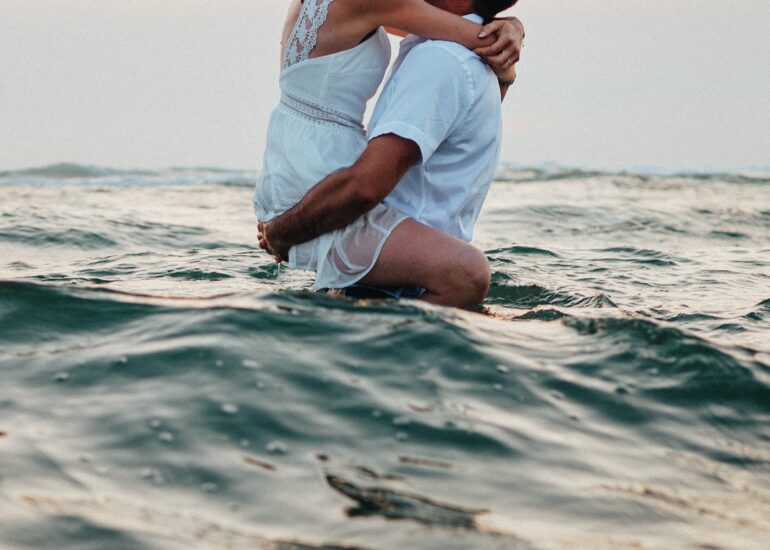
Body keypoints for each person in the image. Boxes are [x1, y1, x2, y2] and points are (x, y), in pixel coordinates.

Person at [255, 0, 523, 307]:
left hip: (297, 156)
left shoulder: (384, 12)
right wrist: (512, 30)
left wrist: (508, 31)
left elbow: (451, 34)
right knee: (466, 272)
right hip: (321, 166)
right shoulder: (390, 12)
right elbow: (481, 40)